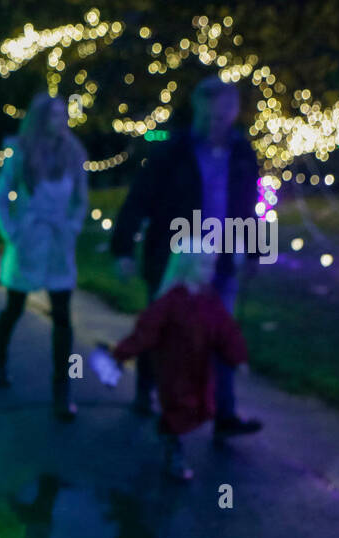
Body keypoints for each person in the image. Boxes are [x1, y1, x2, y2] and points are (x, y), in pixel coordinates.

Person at [110, 76, 262, 441]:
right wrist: (123, 249)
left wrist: (253, 251)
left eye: (224, 114)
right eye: (210, 115)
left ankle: (224, 412)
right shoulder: (172, 152)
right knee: (162, 328)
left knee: (220, 330)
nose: (217, 123)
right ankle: (147, 390)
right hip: (173, 259)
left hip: (218, 260)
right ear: (198, 109)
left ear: (234, 112)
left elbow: (247, 205)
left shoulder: (242, 154)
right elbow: (138, 200)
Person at [108, 247, 249, 481]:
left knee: (200, 405)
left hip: (200, 368)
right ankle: (174, 450)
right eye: (203, 265)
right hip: (173, 369)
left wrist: (238, 356)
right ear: (187, 266)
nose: (209, 271)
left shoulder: (209, 301)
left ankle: (169, 434)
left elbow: (227, 331)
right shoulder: (171, 302)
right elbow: (146, 331)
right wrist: (122, 354)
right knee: (179, 407)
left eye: (210, 265)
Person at [0, 93, 88, 421]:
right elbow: (0, 198)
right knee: (14, 306)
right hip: (29, 241)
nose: (59, 121)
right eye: (53, 115)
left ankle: (63, 387)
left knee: (62, 316)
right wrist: (13, 233)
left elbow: (80, 199)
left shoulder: (74, 153)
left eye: (63, 115)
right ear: (40, 117)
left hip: (59, 243)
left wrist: (72, 226)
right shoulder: (21, 152)